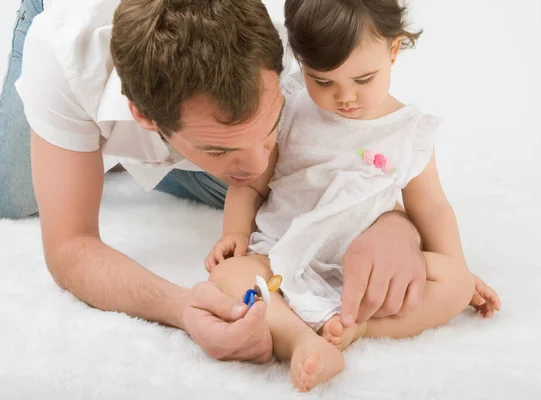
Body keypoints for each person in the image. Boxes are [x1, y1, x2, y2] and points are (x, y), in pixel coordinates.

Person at [0, 0, 430, 364]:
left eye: (271, 125)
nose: (257, 167)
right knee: (9, 199)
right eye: (220, 149)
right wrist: (180, 308)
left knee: (268, 196)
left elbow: (367, 156)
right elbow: (70, 245)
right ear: (143, 116)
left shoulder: (289, 52)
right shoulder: (63, 48)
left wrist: (394, 224)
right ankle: (91, 140)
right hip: (77, 58)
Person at [205, 0, 501, 391]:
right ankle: (300, 338)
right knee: (230, 274)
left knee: (455, 282)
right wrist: (236, 233)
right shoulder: (291, 110)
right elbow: (251, 183)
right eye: (323, 81)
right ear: (300, 60)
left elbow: (431, 207)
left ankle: (360, 326)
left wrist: (457, 265)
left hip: (365, 279)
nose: (345, 98)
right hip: (280, 256)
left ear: (394, 51)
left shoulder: (408, 132)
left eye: (364, 79)